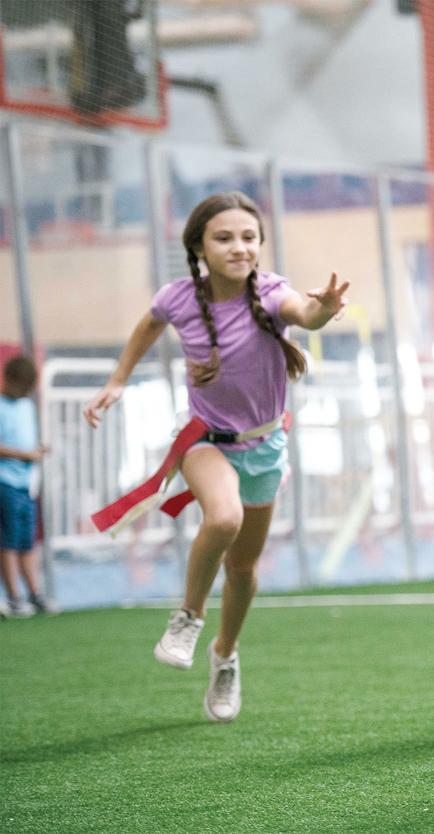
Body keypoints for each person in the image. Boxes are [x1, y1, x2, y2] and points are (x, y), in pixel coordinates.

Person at [83, 191, 348, 722]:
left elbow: (305, 313)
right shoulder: (179, 298)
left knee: (244, 566)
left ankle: (225, 654)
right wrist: (117, 379)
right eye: (224, 238)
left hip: (265, 447)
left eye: (249, 237)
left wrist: (322, 308)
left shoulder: (271, 293)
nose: (238, 247)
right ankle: (188, 617)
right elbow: (148, 325)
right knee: (223, 518)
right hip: (204, 440)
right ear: (199, 247)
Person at [0, 355, 52, 618]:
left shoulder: (26, 406)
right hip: (5, 482)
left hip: (26, 484)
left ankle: (34, 593)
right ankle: (14, 596)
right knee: (8, 541)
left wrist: (37, 451)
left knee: (27, 540)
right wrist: (23, 455)